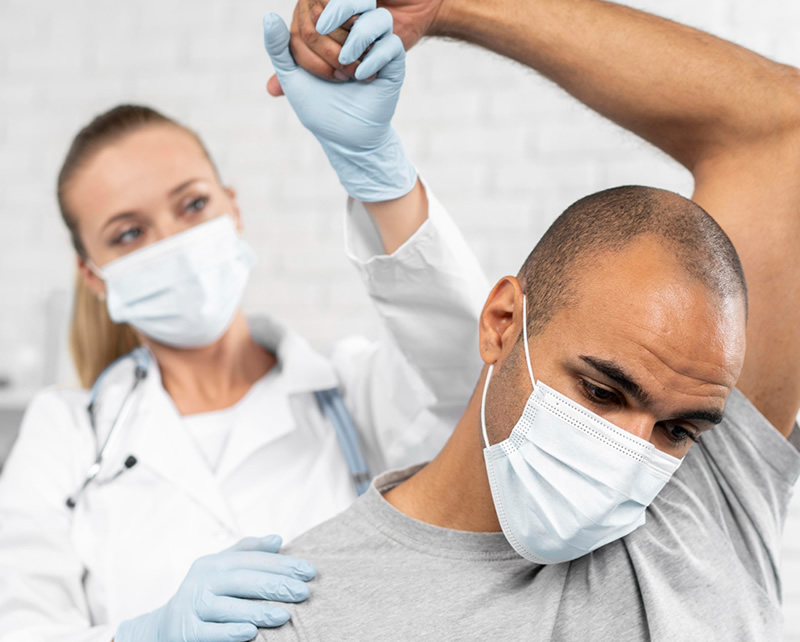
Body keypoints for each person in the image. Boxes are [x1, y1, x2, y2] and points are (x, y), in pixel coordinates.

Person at [255, 0, 800, 638]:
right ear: (502, 323)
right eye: (601, 392)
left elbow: (781, 129)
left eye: (677, 431)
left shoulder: (713, 492)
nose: (630, 456)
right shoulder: (302, 610)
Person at [0, 8, 489, 642]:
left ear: (233, 208)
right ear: (94, 277)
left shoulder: (349, 391)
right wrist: (141, 637)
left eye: (193, 204)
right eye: (129, 233)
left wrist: (377, 172)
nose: (173, 241)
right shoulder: (66, 434)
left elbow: (477, 384)